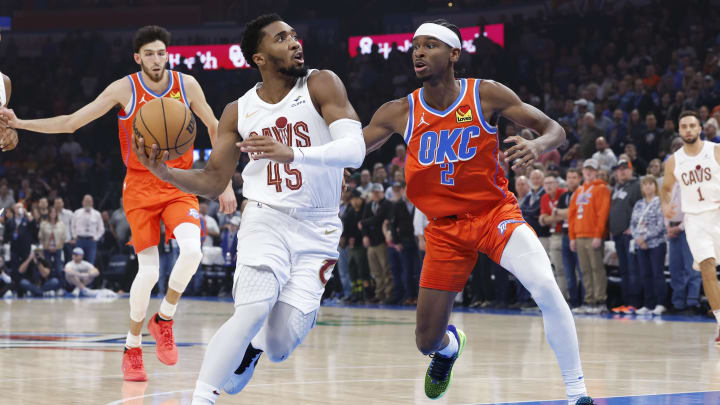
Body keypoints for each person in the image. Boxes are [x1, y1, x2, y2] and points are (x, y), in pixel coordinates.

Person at [129, 14, 365, 404]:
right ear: (259, 57)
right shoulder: (238, 111)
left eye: (294, 35)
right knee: (251, 308)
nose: (294, 42)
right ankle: (202, 397)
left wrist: (293, 152)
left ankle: (255, 347)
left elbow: (354, 151)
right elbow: (211, 181)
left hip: (318, 226)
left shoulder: (323, 83)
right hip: (264, 217)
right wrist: (163, 170)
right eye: (281, 38)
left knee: (277, 345)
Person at [361, 19, 591, 404]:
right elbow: (353, 148)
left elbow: (554, 129)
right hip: (444, 229)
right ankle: (449, 347)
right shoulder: (400, 111)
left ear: (454, 54)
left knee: (545, 286)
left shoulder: (484, 94)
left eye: (430, 45)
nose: (419, 52)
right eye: (416, 46)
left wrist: (538, 146)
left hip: (493, 215)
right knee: (426, 341)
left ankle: (577, 391)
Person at [0, 25, 237, 381]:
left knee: (193, 252)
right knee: (150, 271)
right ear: (137, 57)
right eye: (150, 54)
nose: (157, 59)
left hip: (179, 182)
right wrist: (20, 122)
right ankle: (132, 346)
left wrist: (224, 182)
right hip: (140, 185)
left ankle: (165, 319)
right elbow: (70, 123)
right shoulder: (124, 89)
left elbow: (215, 127)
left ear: (167, 54)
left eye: (162, 53)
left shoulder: (187, 85)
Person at [661, 110, 720, 343]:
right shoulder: (674, 160)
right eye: (683, 126)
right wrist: (666, 204)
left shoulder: (714, 151)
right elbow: (666, 188)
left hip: (717, 212)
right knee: (707, 269)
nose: (688, 130)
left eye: (692, 125)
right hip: (694, 219)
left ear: (699, 128)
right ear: (679, 130)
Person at [568, 158, 611, 314]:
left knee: (597, 269)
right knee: (585, 270)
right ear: (583, 171)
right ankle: (589, 300)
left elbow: (602, 213)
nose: (588, 172)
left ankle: (600, 301)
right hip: (579, 236)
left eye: (592, 169)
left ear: (596, 171)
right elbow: (571, 216)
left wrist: (599, 235)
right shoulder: (578, 191)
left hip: (593, 235)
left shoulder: (602, 189)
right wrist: (572, 237)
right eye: (586, 169)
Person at [608, 158, 642, 314]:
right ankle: (626, 301)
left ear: (631, 170)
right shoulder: (617, 187)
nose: (621, 171)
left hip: (630, 236)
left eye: (624, 168)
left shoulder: (636, 185)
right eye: (618, 169)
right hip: (618, 235)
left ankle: (634, 302)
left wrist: (633, 228)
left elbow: (641, 208)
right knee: (624, 270)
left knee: (632, 269)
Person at [630, 175, 667, 315]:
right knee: (645, 274)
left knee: (657, 274)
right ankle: (648, 304)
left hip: (656, 244)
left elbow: (660, 225)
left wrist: (644, 237)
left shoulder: (659, 202)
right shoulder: (639, 203)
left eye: (651, 184)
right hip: (640, 245)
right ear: (642, 188)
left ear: (655, 186)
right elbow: (632, 224)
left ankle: (660, 303)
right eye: (645, 184)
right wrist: (638, 238)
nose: (648, 186)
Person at [71, 194, 104, 265]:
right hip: (80, 240)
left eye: (89, 201)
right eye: (86, 201)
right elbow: (72, 226)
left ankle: (89, 276)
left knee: (90, 261)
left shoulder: (97, 214)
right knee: (77, 262)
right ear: (82, 202)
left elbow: (101, 228)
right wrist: (74, 236)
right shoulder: (77, 212)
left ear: (92, 203)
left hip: (91, 241)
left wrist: (96, 237)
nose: (87, 203)